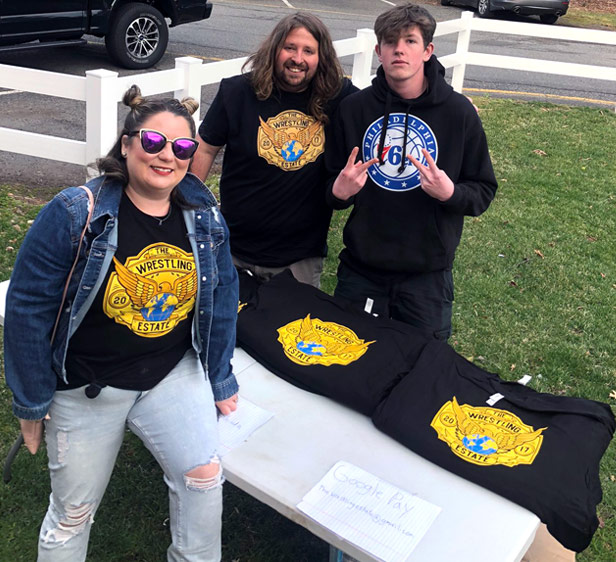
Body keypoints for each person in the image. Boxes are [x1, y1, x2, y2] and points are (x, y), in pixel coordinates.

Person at [4, 85, 239, 561]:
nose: (167, 156)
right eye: (153, 142)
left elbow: (223, 290)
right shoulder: (75, 212)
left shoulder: (204, 216)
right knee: (73, 514)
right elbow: (28, 307)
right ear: (128, 143)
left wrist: (219, 376)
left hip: (170, 372)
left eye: (182, 147)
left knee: (203, 479)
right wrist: (31, 403)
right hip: (89, 386)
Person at [326, 3, 498, 341]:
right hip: (362, 270)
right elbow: (327, 185)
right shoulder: (354, 110)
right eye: (390, 42)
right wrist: (338, 192)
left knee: (420, 373)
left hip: (427, 276)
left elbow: (482, 191)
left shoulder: (458, 114)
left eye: (410, 41)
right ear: (378, 51)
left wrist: (450, 193)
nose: (399, 49)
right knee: (348, 365)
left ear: (428, 50)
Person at [190, 12, 357, 287]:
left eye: (308, 51)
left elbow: (377, 107)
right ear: (275, 49)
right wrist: (191, 207)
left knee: (292, 330)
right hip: (232, 249)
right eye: (290, 47)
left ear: (321, 57)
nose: (298, 58)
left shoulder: (337, 97)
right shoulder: (237, 92)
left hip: (299, 259)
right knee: (226, 328)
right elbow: (205, 148)